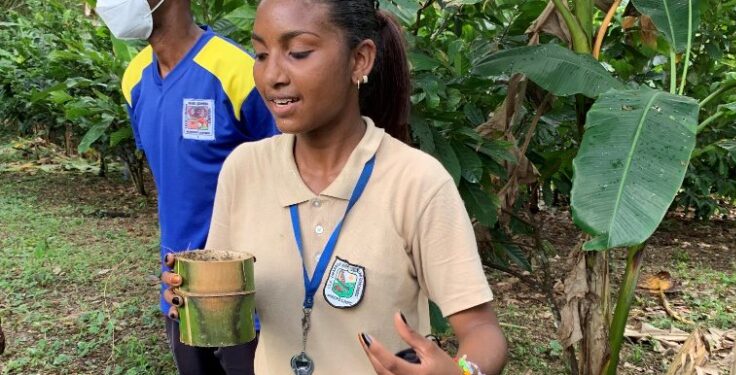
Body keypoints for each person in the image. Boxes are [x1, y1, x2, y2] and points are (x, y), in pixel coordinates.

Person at [163, 0, 508, 373]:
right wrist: (198, 293)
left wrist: (463, 371)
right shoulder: (244, 169)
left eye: (298, 52)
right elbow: (227, 291)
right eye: (261, 54)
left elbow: (481, 328)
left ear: (359, 60)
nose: (271, 75)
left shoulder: (417, 182)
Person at [94, 0, 278, 374]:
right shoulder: (134, 79)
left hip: (247, 294)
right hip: (178, 288)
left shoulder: (239, 72)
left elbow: (288, 171)